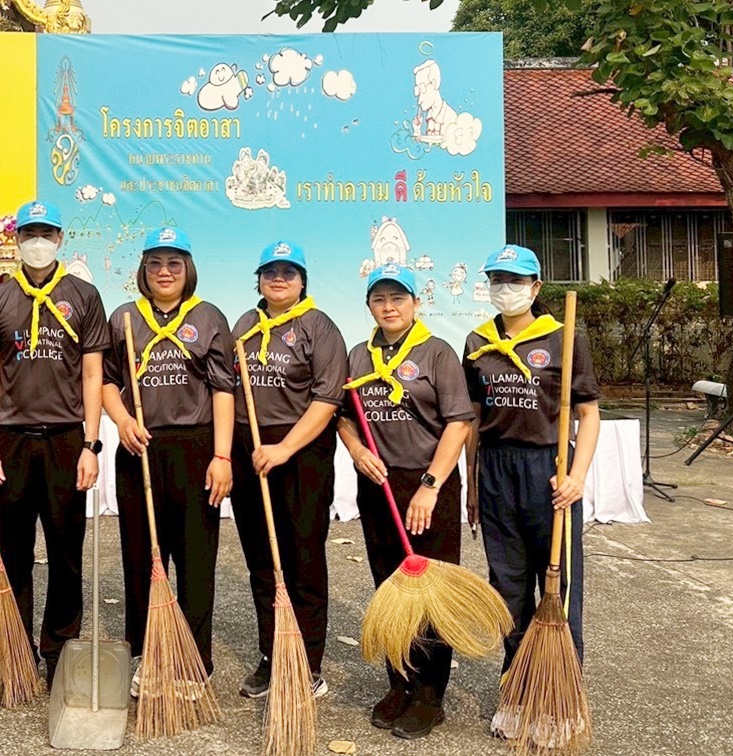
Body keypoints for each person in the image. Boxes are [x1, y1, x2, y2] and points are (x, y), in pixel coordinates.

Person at [339, 262, 474, 739]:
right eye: (379, 299)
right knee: (390, 589)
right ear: (369, 305)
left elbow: (459, 423)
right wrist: (356, 451)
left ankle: (430, 696)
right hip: (379, 485)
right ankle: (400, 683)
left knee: (431, 593)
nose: (389, 306)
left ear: (416, 303)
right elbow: (344, 416)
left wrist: (430, 486)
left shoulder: (436, 353)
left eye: (398, 297)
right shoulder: (359, 355)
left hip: (428, 485)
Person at [0, 200, 107, 684]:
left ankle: (59, 647)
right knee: (13, 550)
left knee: (66, 550)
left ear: (59, 239)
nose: (37, 241)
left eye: (46, 233)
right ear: (16, 240)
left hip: (66, 438)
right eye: (29, 233)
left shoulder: (83, 296)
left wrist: (91, 445)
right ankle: (15, 646)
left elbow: (92, 373)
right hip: (12, 439)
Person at [101, 226, 234, 697]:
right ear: (143, 269)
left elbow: (223, 390)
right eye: (155, 263)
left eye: (174, 263)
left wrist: (222, 455)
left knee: (195, 560)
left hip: (195, 449)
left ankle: (196, 662)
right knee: (141, 558)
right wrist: (121, 420)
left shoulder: (209, 317)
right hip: (139, 448)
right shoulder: (123, 318)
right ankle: (147, 653)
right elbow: (107, 381)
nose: (164, 272)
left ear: (188, 269)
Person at [464, 244, 601, 672]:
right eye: (497, 280)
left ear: (535, 286)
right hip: (496, 468)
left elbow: (588, 414)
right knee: (507, 583)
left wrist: (576, 477)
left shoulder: (563, 336)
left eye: (516, 280)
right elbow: (473, 418)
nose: (505, 288)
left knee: (560, 581)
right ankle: (517, 679)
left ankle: (561, 680)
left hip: (548, 467)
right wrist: (472, 482)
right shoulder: (477, 342)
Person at [230, 239, 348, 699]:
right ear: (258, 280)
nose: (278, 280)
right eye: (270, 272)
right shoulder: (245, 324)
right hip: (251, 450)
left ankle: (308, 662)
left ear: (302, 281)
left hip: (301, 454)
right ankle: (272, 653)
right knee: (262, 560)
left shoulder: (320, 326)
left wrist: (284, 449)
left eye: (288, 273)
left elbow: (327, 400)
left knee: (302, 559)